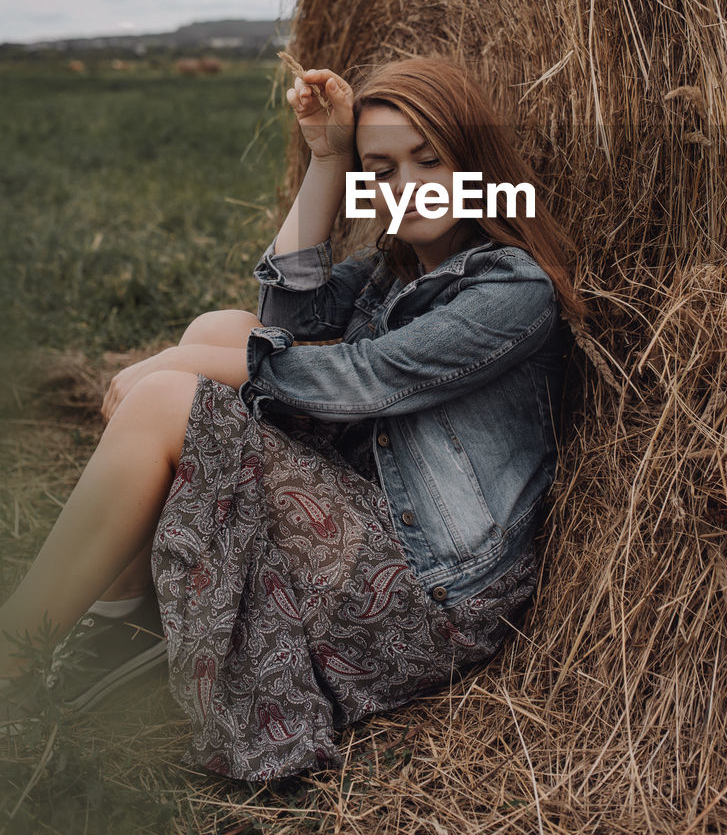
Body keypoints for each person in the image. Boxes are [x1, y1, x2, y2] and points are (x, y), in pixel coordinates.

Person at [0, 56, 584, 780]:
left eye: (429, 159)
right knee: (219, 325)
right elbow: (282, 315)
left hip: (430, 589)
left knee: (172, 390)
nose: (407, 185)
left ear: (474, 160)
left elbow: (363, 377)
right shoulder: (392, 266)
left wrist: (163, 370)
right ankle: (122, 621)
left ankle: (11, 656)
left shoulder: (512, 288)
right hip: (371, 514)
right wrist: (328, 159)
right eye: (383, 169)